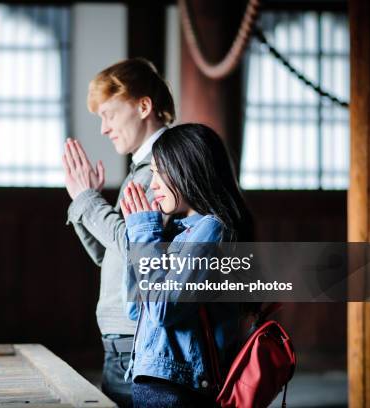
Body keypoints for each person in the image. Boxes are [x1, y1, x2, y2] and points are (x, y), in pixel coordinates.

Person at [62, 58, 175, 407]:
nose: (103, 128)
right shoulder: (142, 168)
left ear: (143, 106)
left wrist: (88, 200)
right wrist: (85, 206)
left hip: (136, 337)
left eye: (109, 114)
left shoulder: (164, 164)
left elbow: (137, 248)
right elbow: (108, 256)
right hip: (122, 338)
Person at [120, 123, 254, 407]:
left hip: (178, 390)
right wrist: (137, 237)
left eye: (159, 172)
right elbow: (134, 308)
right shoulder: (174, 233)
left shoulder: (212, 230)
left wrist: (145, 233)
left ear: (189, 169)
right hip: (155, 384)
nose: (153, 184)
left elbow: (162, 310)